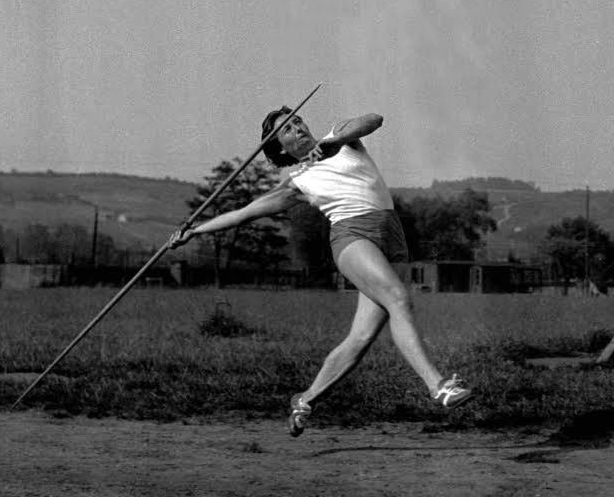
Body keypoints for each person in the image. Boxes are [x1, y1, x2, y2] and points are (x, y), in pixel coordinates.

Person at [170, 106, 472, 437]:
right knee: (398, 297)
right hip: (352, 238)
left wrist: (335, 140)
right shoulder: (297, 182)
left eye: (296, 121)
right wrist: (194, 231)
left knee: (361, 338)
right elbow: (244, 213)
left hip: (392, 236)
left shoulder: (339, 138)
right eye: (286, 129)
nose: (296, 127)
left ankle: (305, 400)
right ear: (280, 147)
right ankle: (437, 385)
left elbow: (374, 120)